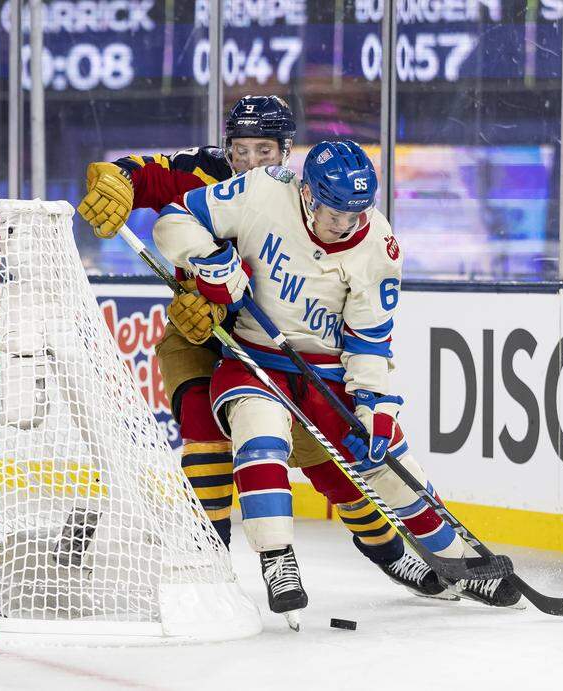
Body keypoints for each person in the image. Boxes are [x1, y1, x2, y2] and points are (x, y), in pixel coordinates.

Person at [78, 96, 441, 606]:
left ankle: (388, 550)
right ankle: (209, 563)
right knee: (204, 441)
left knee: (331, 468)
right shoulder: (199, 171)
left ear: (286, 151)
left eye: (263, 150)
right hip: (201, 336)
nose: (248, 160)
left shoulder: (293, 197)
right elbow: (142, 177)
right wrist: (117, 181)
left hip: (274, 350)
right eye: (240, 148)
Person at [152, 140, 521, 624]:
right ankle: (277, 559)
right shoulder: (263, 192)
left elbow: (369, 341)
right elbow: (172, 221)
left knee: (390, 469)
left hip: (327, 376)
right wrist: (209, 258)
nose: (345, 224)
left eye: (355, 213)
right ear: (307, 193)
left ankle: (460, 563)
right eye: (334, 212)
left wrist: (377, 407)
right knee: (259, 435)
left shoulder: (378, 246)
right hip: (253, 359)